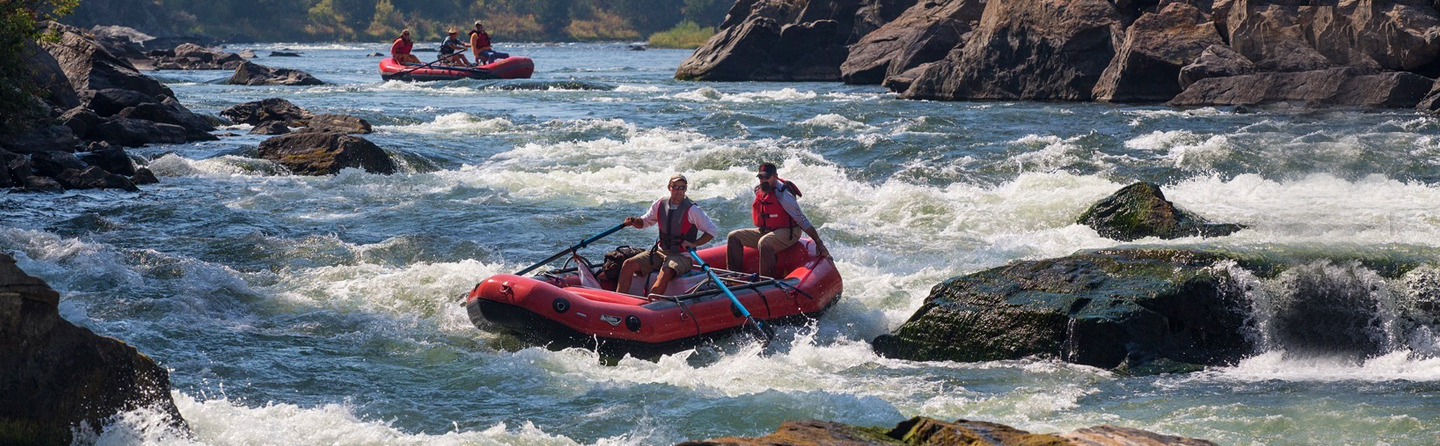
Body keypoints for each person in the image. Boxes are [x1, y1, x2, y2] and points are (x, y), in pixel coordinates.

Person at [615, 174, 721, 297]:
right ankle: (618, 299)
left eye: (682, 188)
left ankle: (649, 306)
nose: (678, 191)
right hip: (660, 252)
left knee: (665, 271)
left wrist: (694, 243)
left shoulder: (693, 210)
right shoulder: (660, 204)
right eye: (675, 187)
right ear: (669, 187)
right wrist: (634, 221)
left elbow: (712, 230)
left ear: (686, 189)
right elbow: (644, 222)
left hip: (682, 256)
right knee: (628, 264)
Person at [726, 162, 829, 279]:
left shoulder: (783, 195)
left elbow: (801, 219)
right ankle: (733, 277)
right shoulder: (759, 190)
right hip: (769, 230)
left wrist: (818, 242)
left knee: (765, 242)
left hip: (789, 232)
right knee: (733, 236)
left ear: (775, 176)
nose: (763, 180)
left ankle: (766, 281)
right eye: (760, 177)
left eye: (767, 177)